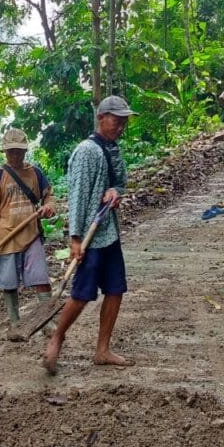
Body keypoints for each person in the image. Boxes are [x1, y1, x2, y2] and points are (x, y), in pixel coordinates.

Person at [43, 95, 135, 376]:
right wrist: (75, 238)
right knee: (82, 295)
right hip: (89, 237)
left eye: (123, 123)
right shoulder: (87, 151)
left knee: (116, 289)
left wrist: (114, 192)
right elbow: (78, 195)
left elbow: (120, 182)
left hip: (108, 232)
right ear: (101, 118)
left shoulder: (112, 148)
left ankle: (102, 350)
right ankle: (57, 337)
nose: (120, 127)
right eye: (116, 121)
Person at [0, 128, 56, 339]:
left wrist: (49, 207)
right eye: (11, 151)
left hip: (31, 234)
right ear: (5, 152)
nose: (15, 155)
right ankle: (15, 324)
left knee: (41, 277)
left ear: (25, 151)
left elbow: (49, 197)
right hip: (5, 238)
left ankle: (47, 321)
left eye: (19, 151)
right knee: (9, 283)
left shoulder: (35, 173)